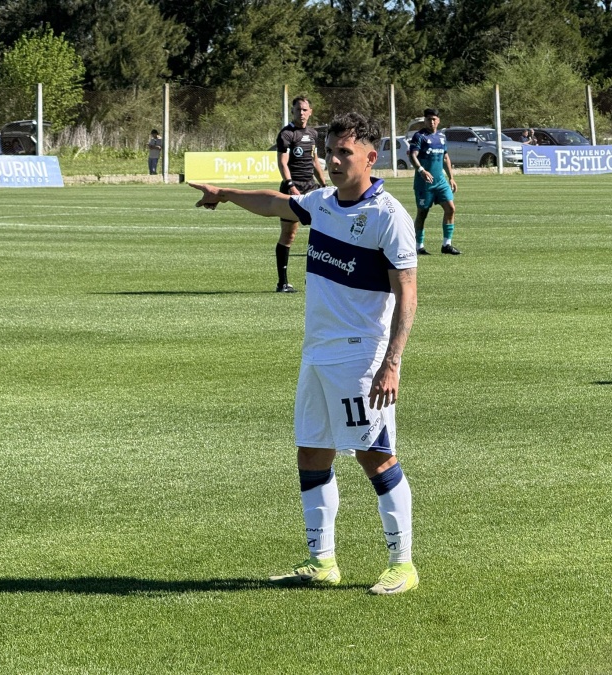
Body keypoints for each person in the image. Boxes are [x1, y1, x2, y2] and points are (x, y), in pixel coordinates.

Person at [190, 112, 419, 595]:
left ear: (371, 158)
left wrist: (391, 363)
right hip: (316, 354)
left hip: (360, 359)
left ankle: (403, 564)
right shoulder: (322, 203)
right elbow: (277, 203)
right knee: (312, 453)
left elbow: (408, 293)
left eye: (344, 154)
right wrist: (227, 195)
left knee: (374, 455)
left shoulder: (388, 216)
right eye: (329, 153)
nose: (332, 162)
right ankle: (321, 562)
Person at [274, 96, 327, 293]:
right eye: (298, 110)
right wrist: (290, 186)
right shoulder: (286, 134)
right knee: (289, 234)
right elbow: (283, 163)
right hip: (293, 189)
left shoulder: (313, 134)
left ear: (310, 111)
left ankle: (315, 280)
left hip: (311, 188)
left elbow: (314, 161)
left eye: (305, 109)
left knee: (322, 231)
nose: (302, 113)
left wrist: (324, 184)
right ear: (293, 112)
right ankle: (282, 283)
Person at [409, 107, 460, 255]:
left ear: (438, 120)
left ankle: (446, 245)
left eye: (434, 119)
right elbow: (413, 155)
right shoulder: (419, 136)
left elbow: (445, 157)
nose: (431, 122)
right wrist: (421, 170)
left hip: (440, 181)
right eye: (429, 119)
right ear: (425, 120)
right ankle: (418, 246)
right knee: (422, 213)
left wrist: (451, 177)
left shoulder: (442, 137)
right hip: (424, 183)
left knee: (450, 209)